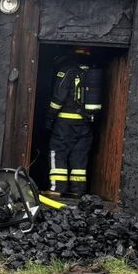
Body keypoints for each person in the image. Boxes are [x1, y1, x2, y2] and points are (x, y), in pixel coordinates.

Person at [45, 49, 104, 199]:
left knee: (58, 153)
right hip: (85, 124)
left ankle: (56, 189)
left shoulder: (67, 71)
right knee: (79, 157)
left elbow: (58, 98)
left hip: (65, 124)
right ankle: (77, 191)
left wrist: (49, 117)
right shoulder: (90, 73)